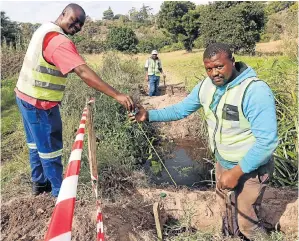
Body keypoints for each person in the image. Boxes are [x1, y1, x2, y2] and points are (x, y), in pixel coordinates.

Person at [130, 43, 278, 240]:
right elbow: (180, 109)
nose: (214, 73)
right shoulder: (206, 87)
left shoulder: (254, 91)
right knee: (227, 212)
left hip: (250, 170)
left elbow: (267, 142)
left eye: (219, 67)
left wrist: (236, 172)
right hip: (223, 163)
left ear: (232, 62)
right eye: (209, 68)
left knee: (247, 223)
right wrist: (148, 115)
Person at [15, 3, 135, 197]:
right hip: (40, 104)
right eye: (75, 20)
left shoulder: (44, 29)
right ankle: (58, 195)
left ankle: (39, 185)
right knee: (51, 152)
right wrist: (117, 95)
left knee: (35, 146)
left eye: (81, 24)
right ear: (63, 14)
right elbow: (83, 71)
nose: (78, 27)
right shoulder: (58, 41)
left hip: (24, 96)